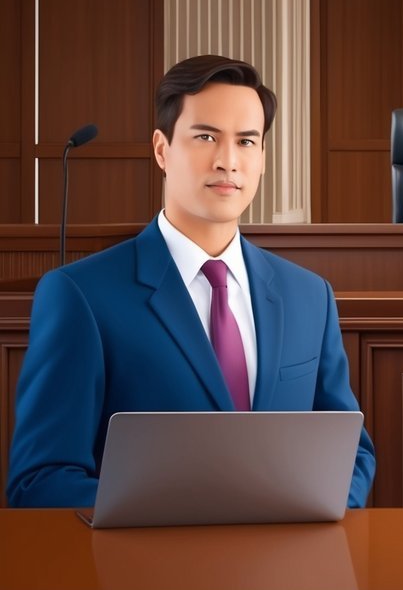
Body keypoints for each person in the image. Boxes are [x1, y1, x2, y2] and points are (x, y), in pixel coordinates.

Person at [7, 55, 375, 508]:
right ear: (162, 150)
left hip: (288, 571)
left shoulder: (308, 296)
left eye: (246, 141)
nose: (227, 161)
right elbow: (40, 480)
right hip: (148, 573)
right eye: (205, 137)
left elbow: (351, 449)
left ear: (262, 158)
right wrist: (196, 512)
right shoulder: (81, 296)